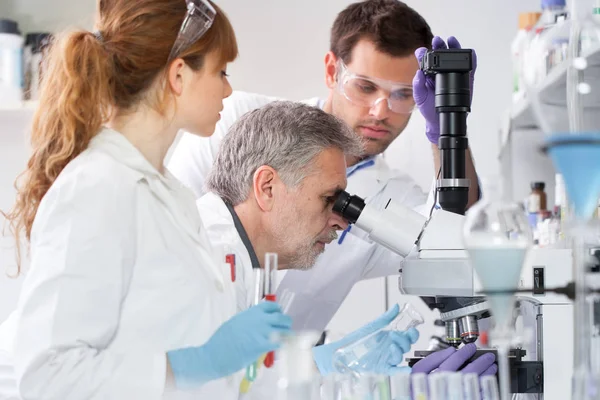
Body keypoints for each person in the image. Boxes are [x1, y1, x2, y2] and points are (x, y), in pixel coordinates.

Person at [0, 1, 291, 399]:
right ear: (178, 74)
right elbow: (50, 375)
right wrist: (197, 362)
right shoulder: (95, 189)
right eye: (221, 72)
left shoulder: (171, 194)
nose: (228, 88)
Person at [167, 0, 482, 337]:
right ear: (332, 71)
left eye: (404, 95)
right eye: (365, 87)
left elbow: (451, 231)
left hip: (277, 375)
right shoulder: (236, 121)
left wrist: (449, 128)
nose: (381, 111)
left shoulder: (393, 193)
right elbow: (171, 229)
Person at [197, 100, 496, 399]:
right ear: (267, 187)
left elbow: (251, 383)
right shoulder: (205, 269)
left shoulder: (234, 259)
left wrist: (335, 370)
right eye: (329, 198)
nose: (342, 222)